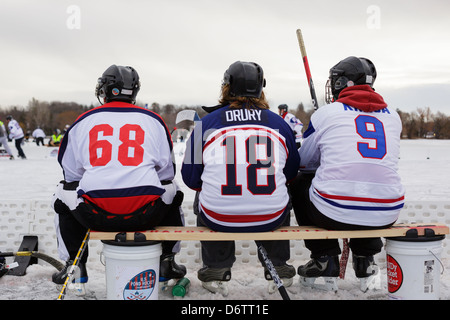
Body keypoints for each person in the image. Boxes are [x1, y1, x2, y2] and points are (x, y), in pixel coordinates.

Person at [51, 64, 186, 287]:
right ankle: (167, 260)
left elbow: (71, 174)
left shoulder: (83, 121)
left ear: (105, 89)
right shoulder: (154, 120)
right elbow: (167, 171)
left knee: (63, 192)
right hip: (146, 213)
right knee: (173, 188)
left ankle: (74, 265)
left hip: (95, 213)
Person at [181, 61, 300, 295]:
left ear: (226, 87)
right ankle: (278, 266)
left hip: (218, 218)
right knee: (280, 191)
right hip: (271, 217)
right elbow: (290, 173)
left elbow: (190, 178)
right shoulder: (279, 123)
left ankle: (216, 267)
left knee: (202, 194)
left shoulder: (203, 124)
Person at [289, 56, 405, 291]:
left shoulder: (326, 114)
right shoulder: (394, 117)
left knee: (301, 182)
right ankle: (365, 260)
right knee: (369, 180)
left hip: (331, 213)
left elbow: (304, 164)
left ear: (343, 83)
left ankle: (323, 257)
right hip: (388, 212)